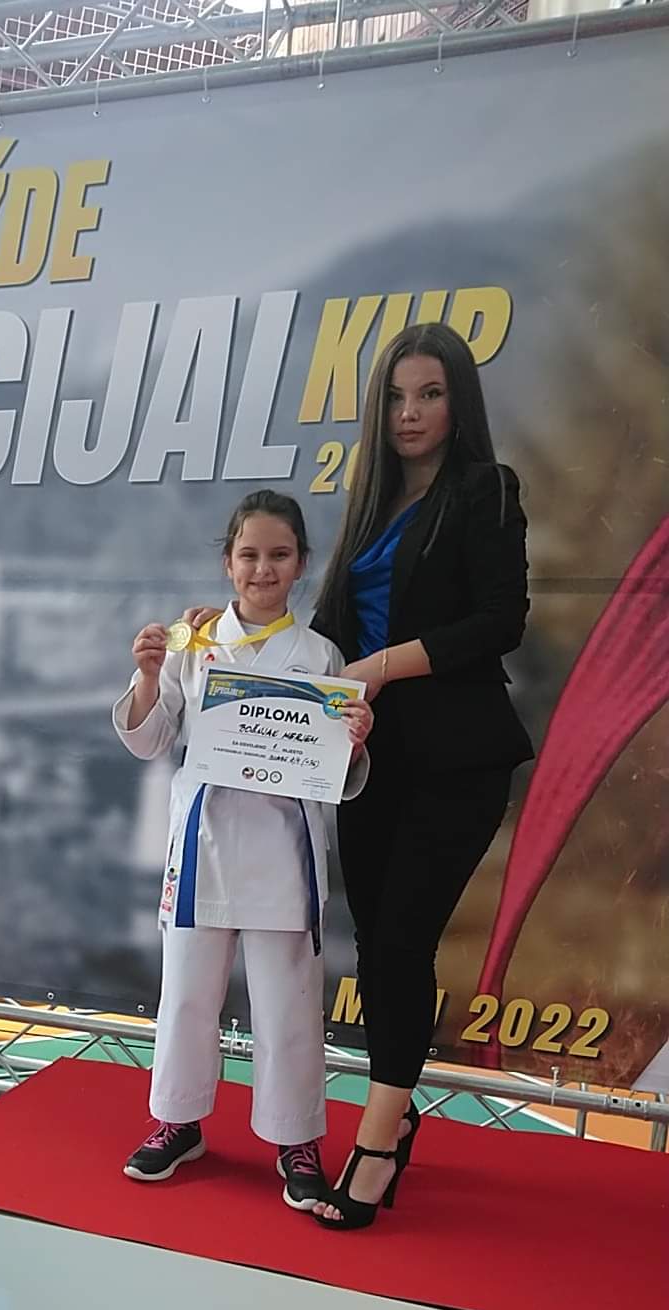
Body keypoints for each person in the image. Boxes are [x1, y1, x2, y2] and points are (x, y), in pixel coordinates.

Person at [184, 324, 534, 1229]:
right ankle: (396, 1111)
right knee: (377, 946)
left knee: (402, 942)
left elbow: (500, 622)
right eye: (396, 397)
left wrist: (379, 669)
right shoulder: (371, 505)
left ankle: (377, 1142)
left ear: (459, 403)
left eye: (430, 394)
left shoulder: (487, 491)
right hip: (367, 759)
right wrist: (229, 630)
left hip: (456, 758)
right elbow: (326, 637)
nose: (410, 413)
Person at [113, 489, 373, 1206]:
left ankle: (296, 1138)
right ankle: (178, 1121)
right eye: (249, 555)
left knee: (289, 1002)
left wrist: (353, 741)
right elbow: (150, 738)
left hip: (284, 850)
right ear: (228, 563)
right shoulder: (192, 643)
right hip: (203, 845)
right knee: (186, 994)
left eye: (279, 555)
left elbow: (332, 772)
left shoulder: (320, 654)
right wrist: (147, 673)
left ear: (302, 564)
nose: (264, 569)